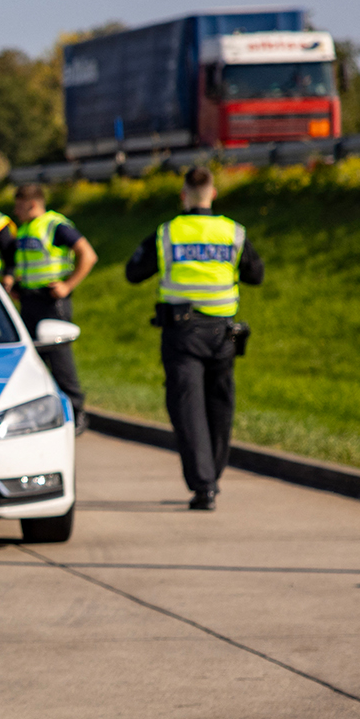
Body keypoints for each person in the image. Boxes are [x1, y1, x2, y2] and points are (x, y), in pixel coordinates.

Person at [124, 167, 265, 510]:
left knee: (188, 409)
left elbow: (134, 272)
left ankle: (204, 486)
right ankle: (212, 474)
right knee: (220, 406)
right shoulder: (232, 232)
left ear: (183, 196)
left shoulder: (168, 233)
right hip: (223, 334)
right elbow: (256, 274)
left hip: (182, 333)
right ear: (213, 194)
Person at [9, 183, 97, 425]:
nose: (16, 212)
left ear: (33, 204)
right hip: (30, 301)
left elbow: (88, 254)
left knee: (60, 362)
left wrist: (68, 285)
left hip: (52, 302)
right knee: (34, 361)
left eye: (19, 206)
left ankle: (76, 411)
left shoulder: (54, 225)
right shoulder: (26, 228)